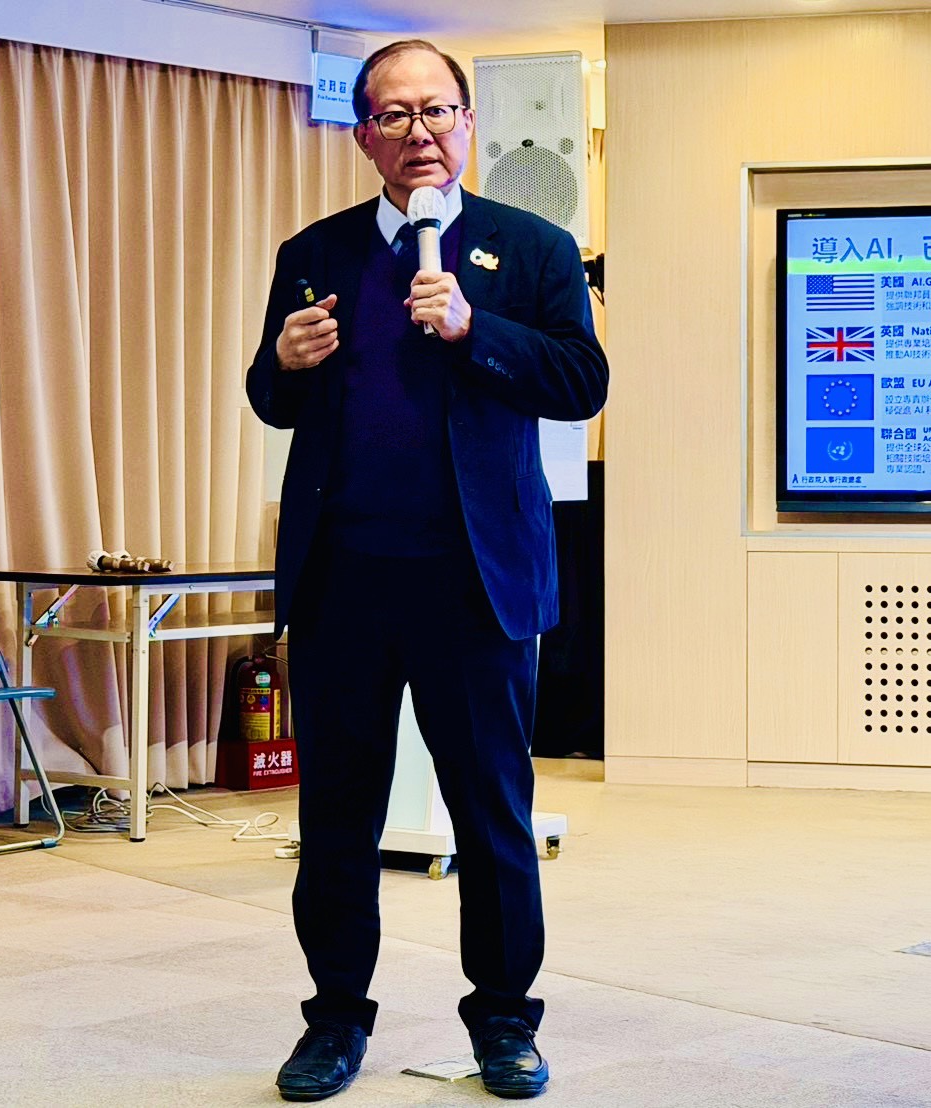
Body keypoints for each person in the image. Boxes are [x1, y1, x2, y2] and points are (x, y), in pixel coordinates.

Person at [245, 38, 607, 1102]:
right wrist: (282, 365)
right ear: (364, 135)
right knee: (336, 817)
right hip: (345, 579)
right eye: (396, 116)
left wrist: (471, 327)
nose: (421, 134)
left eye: (439, 111)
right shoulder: (313, 251)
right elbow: (272, 397)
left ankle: (504, 1021)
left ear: (468, 123)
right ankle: (333, 1021)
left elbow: (581, 380)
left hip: (473, 583)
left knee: (490, 815)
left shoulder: (531, 248)